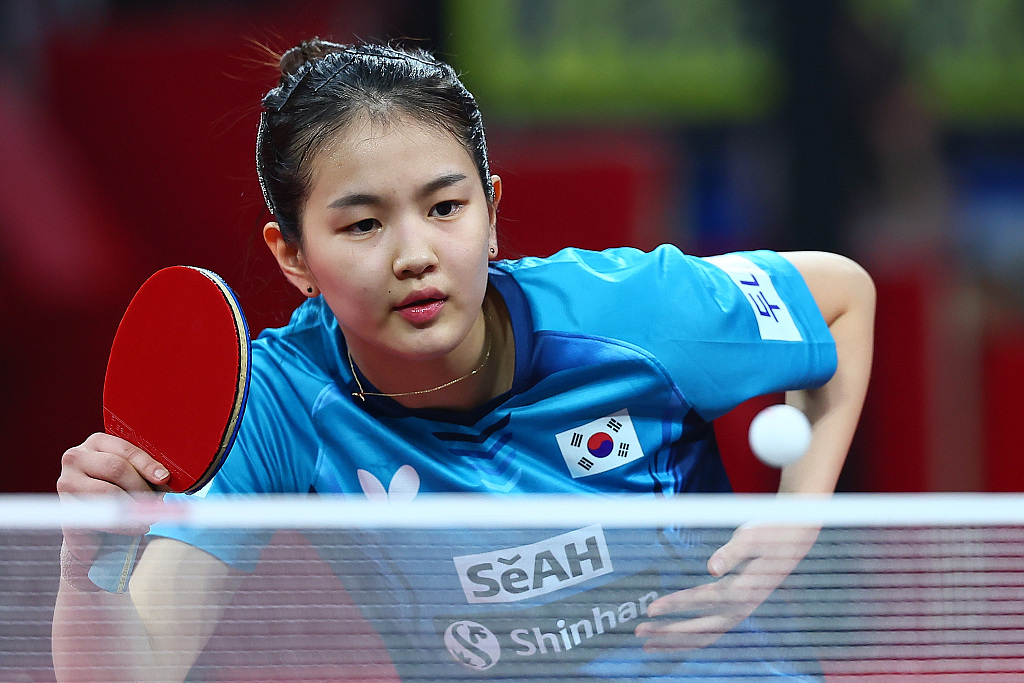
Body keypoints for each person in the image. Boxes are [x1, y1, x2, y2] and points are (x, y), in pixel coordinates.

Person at [53, 39, 875, 682]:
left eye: (446, 207)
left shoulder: (633, 309)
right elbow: (139, 665)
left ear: (491, 213)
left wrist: (795, 519)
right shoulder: (278, 401)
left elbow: (842, 295)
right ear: (293, 256)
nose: (416, 253)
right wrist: (89, 559)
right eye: (362, 224)